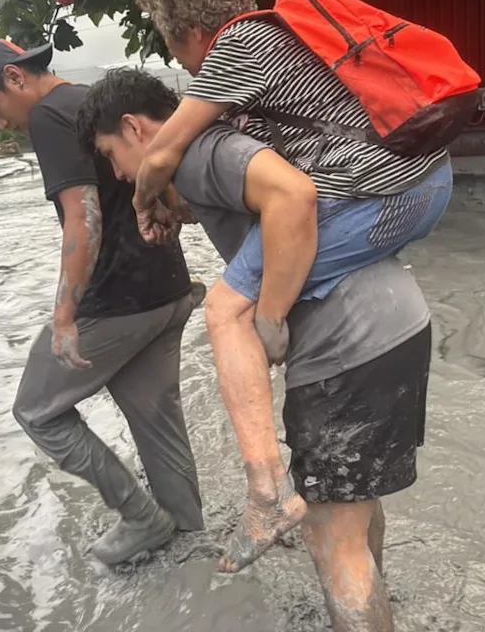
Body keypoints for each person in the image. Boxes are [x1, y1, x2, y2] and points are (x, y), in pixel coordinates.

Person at [126, 0, 454, 570]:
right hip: (430, 180)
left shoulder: (237, 47)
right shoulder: (289, 37)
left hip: (381, 194)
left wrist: (147, 200)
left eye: (175, 47)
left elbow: (164, 153)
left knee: (227, 312)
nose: (183, 64)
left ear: (191, 31)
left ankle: (265, 494)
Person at [75, 68, 434, 631]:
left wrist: (266, 319)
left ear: (134, 128)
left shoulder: (197, 152)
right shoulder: (218, 149)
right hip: (400, 325)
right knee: (353, 517)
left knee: (332, 544)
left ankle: (268, 497)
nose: (121, 175)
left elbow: (295, 194)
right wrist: (182, 208)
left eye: (111, 155)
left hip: (348, 347)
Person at [0, 39, 204, 565]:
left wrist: (64, 315)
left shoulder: (48, 115)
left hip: (117, 302)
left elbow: (83, 218)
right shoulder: (94, 101)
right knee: (155, 418)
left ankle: (141, 518)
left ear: (16, 78)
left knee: (36, 412)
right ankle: (190, 543)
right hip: (168, 290)